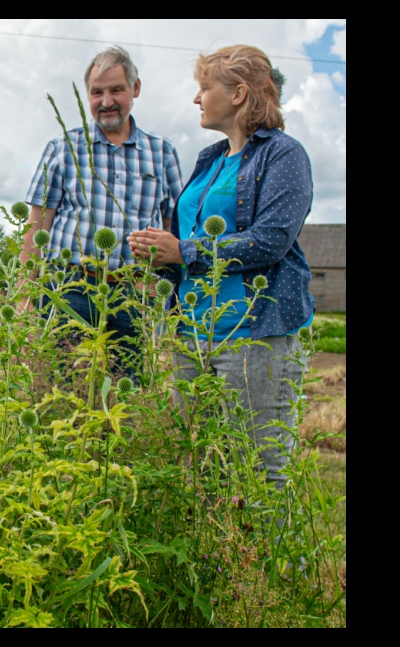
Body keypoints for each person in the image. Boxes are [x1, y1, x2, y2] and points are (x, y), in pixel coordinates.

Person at [129, 45, 315, 489]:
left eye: (204, 87)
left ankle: (266, 541)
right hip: (192, 336)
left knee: (260, 473)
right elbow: (188, 240)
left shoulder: (284, 155)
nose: (197, 98)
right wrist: (159, 260)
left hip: (253, 336)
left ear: (238, 94)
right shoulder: (210, 160)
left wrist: (184, 251)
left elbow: (271, 240)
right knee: (199, 468)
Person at [20, 46, 184, 368]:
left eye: (116, 90)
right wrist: (25, 296)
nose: (106, 102)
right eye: (97, 92)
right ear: (87, 95)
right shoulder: (63, 148)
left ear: (135, 88)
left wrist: (160, 283)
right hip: (69, 289)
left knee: (129, 388)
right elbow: (37, 225)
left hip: (134, 295)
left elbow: (172, 229)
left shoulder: (162, 152)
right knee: (64, 385)